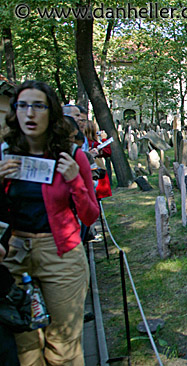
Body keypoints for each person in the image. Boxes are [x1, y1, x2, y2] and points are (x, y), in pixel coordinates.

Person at [0, 80, 99, 365]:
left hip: (62, 253)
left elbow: (90, 215)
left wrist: (74, 182)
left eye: (38, 106)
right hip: (13, 254)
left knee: (63, 347)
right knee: (25, 345)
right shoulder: (4, 153)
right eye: (23, 106)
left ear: (51, 112)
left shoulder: (72, 155)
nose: (30, 113)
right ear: (15, 112)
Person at [84, 121, 112, 199]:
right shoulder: (94, 144)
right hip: (95, 171)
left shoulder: (81, 143)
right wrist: (104, 139)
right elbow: (107, 152)